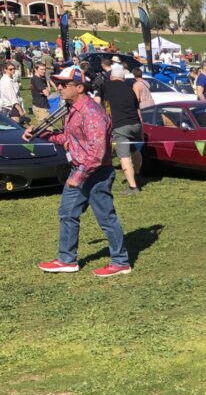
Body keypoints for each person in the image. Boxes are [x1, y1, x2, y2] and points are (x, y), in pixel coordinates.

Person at [28, 67, 130, 277]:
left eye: (64, 84)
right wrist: (41, 134)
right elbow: (69, 138)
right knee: (67, 213)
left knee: (106, 218)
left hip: (96, 173)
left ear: (80, 87)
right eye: (58, 84)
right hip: (80, 170)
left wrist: (79, 176)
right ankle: (67, 260)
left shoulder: (91, 113)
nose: (59, 88)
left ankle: (121, 262)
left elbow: (97, 152)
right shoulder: (72, 110)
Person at [102, 64, 143, 194]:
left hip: (120, 126)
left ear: (111, 77)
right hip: (135, 124)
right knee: (135, 151)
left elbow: (98, 99)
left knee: (124, 157)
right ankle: (137, 173)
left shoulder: (107, 85)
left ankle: (133, 187)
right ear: (123, 78)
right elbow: (137, 109)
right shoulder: (130, 89)